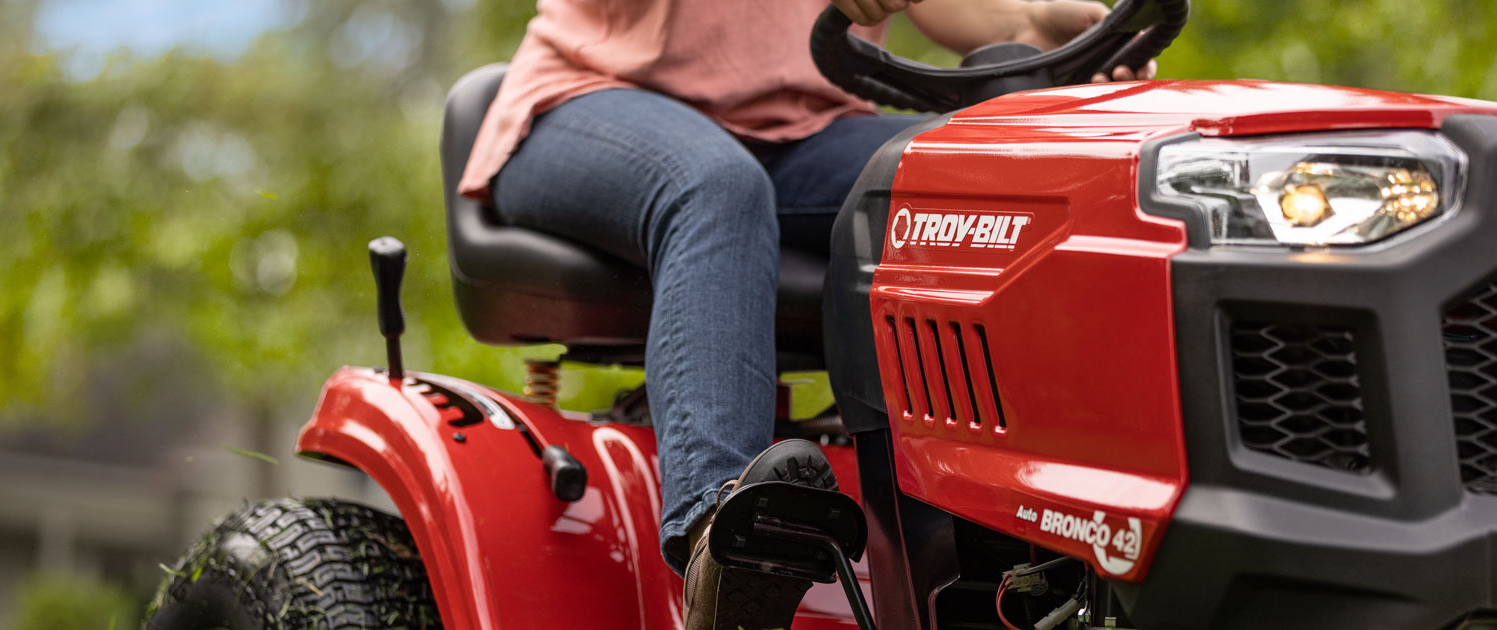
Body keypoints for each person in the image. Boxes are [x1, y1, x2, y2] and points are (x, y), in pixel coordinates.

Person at [458, 0, 1155, 627]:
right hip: (594, 105)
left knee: (985, 171)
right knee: (715, 186)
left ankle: (1056, 531)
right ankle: (722, 542)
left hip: (803, 130)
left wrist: (1034, 25)